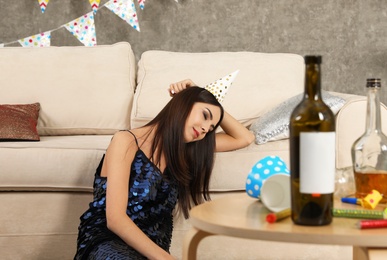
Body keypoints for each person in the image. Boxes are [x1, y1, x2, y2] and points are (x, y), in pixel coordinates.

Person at [74, 79, 255, 260]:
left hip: (153, 248)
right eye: (204, 116)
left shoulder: (187, 150)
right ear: (183, 104)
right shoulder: (126, 141)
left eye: (211, 128)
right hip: (107, 241)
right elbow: (115, 219)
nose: (205, 128)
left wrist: (216, 109)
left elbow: (245, 137)